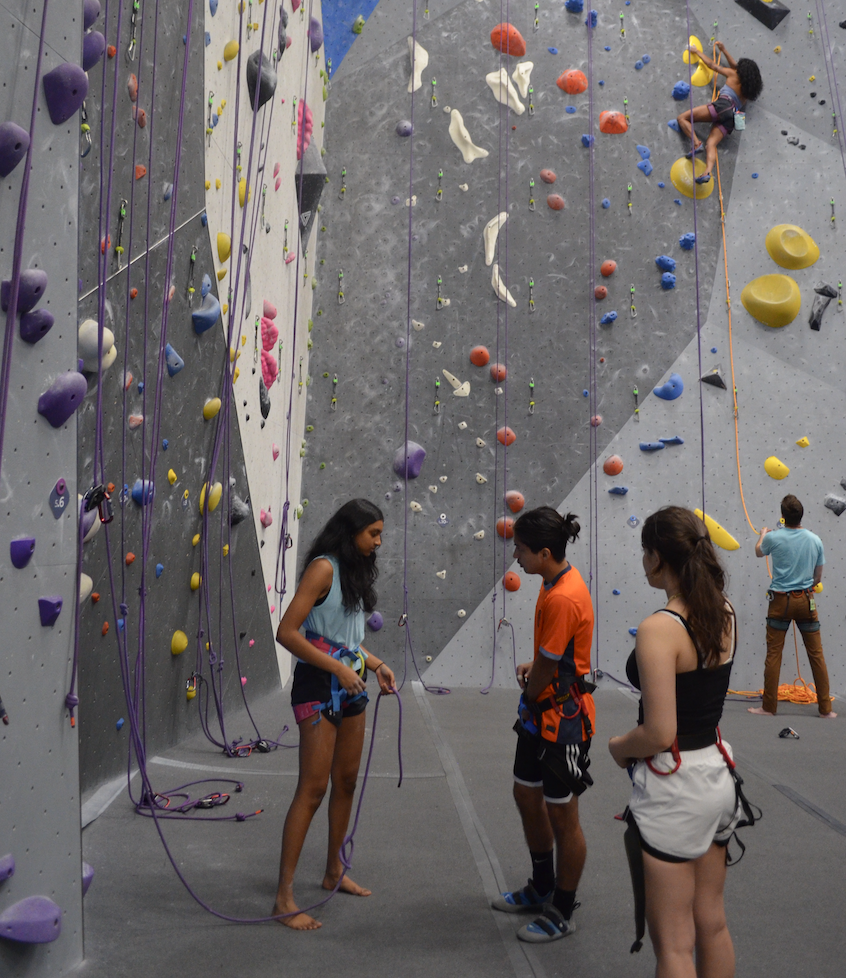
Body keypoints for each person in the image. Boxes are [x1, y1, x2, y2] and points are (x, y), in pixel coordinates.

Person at [609, 507, 746, 977]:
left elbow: (659, 732)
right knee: (711, 922)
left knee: (673, 942)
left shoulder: (660, 628)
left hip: (676, 784)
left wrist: (619, 746)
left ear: (655, 558)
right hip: (716, 773)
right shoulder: (723, 611)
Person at [272, 499, 395, 930]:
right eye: (372, 534)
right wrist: (339, 668)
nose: (378, 542)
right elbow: (287, 632)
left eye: (380, 533)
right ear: (350, 532)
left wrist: (374, 664)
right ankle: (284, 897)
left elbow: (345, 639)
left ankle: (332, 871)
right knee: (313, 788)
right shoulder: (323, 568)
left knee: (345, 782)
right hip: (320, 683)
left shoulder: (355, 570)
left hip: (352, 680)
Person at [492, 507, 596, 944]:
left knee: (563, 815)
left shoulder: (562, 596)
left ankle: (562, 908)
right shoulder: (551, 583)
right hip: (540, 712)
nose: (515, 555)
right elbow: (554, 656)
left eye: (520, 548)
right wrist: (535, 673)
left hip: (563, 721)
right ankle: (541, 885)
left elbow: (554, 665)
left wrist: (533, 688)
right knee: (524, 793)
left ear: (545, 552)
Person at [749, 495, 836, 719]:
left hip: (780, 602)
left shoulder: (773, 538)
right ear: (801, 515)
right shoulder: (815, 539)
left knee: (774, 654)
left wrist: (762, 535)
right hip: (806, 601)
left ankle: (768, 707)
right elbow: (818, 576)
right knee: (816, 655)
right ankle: (826, 710)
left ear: (783, 516)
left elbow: (759, 551)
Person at [676, 41, 763, 185]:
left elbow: (712, 65)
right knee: (711, 144)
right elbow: (735, 66)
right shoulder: (748, 92)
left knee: (683, 118)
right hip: (733, 118)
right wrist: (724, 49)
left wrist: (696, 51)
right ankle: (707, 172)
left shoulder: (733, 74)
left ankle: (697, 143)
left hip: (723, 106)